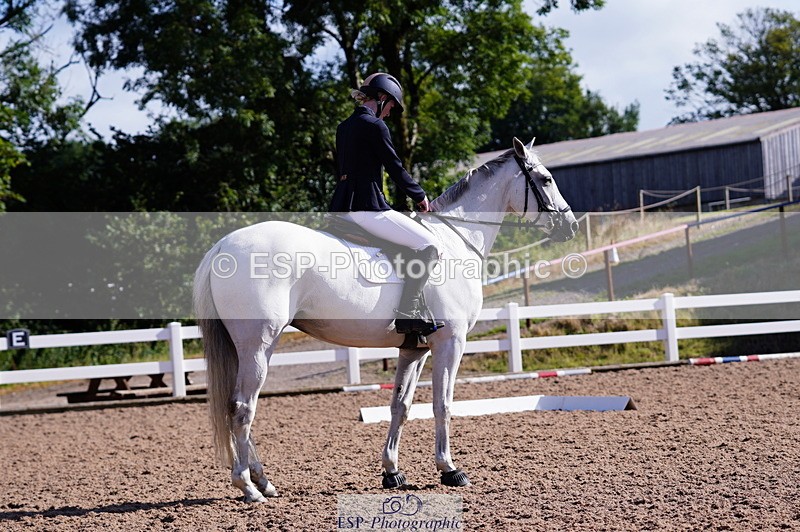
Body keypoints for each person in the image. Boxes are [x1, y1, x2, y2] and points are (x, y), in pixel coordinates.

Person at [329, 72, 444, 336]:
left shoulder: (343, 127)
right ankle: (408, 313)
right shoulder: (375, 126)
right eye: (392, 105)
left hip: (341, 206)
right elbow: (394, 167)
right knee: (429, 245)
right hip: (367, 208)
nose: (391, 112)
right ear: (382, 98)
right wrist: (419, 196)